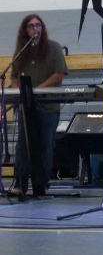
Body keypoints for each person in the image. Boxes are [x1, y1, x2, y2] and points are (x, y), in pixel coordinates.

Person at [10, 14, 68, 197]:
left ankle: (41, 186)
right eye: (31, 26)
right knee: (22, 147)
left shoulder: (53, 47)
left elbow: (59, 74)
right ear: (25, 31)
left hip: (48, 107)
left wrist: (36, 90)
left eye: (38, 25)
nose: (36, 28)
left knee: (45, 146)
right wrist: (20, 91)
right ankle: (20, 185)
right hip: (26, 107)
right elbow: (13, 76)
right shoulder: (21, 51)